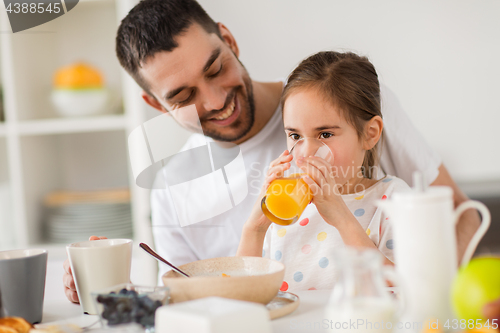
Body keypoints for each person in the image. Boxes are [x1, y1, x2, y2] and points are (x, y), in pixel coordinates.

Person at [63, 0, 480, 302]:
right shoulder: (173, 186)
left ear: (229, 40)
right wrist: (110, 290)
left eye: (216, 69)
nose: (214, 100)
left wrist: (434, 307)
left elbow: (460, 217)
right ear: (157, 105)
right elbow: (184, 296)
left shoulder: (341, 101)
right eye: (184, 96)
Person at [236, 51, 410, 291]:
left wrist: (342, 218)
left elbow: (405, 291)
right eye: (295, 135)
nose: (306, 152)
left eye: (325, 134)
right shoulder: (286, 210)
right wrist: (253, 230)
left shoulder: (393, 200)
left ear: (370, 134)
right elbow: (244, 296)